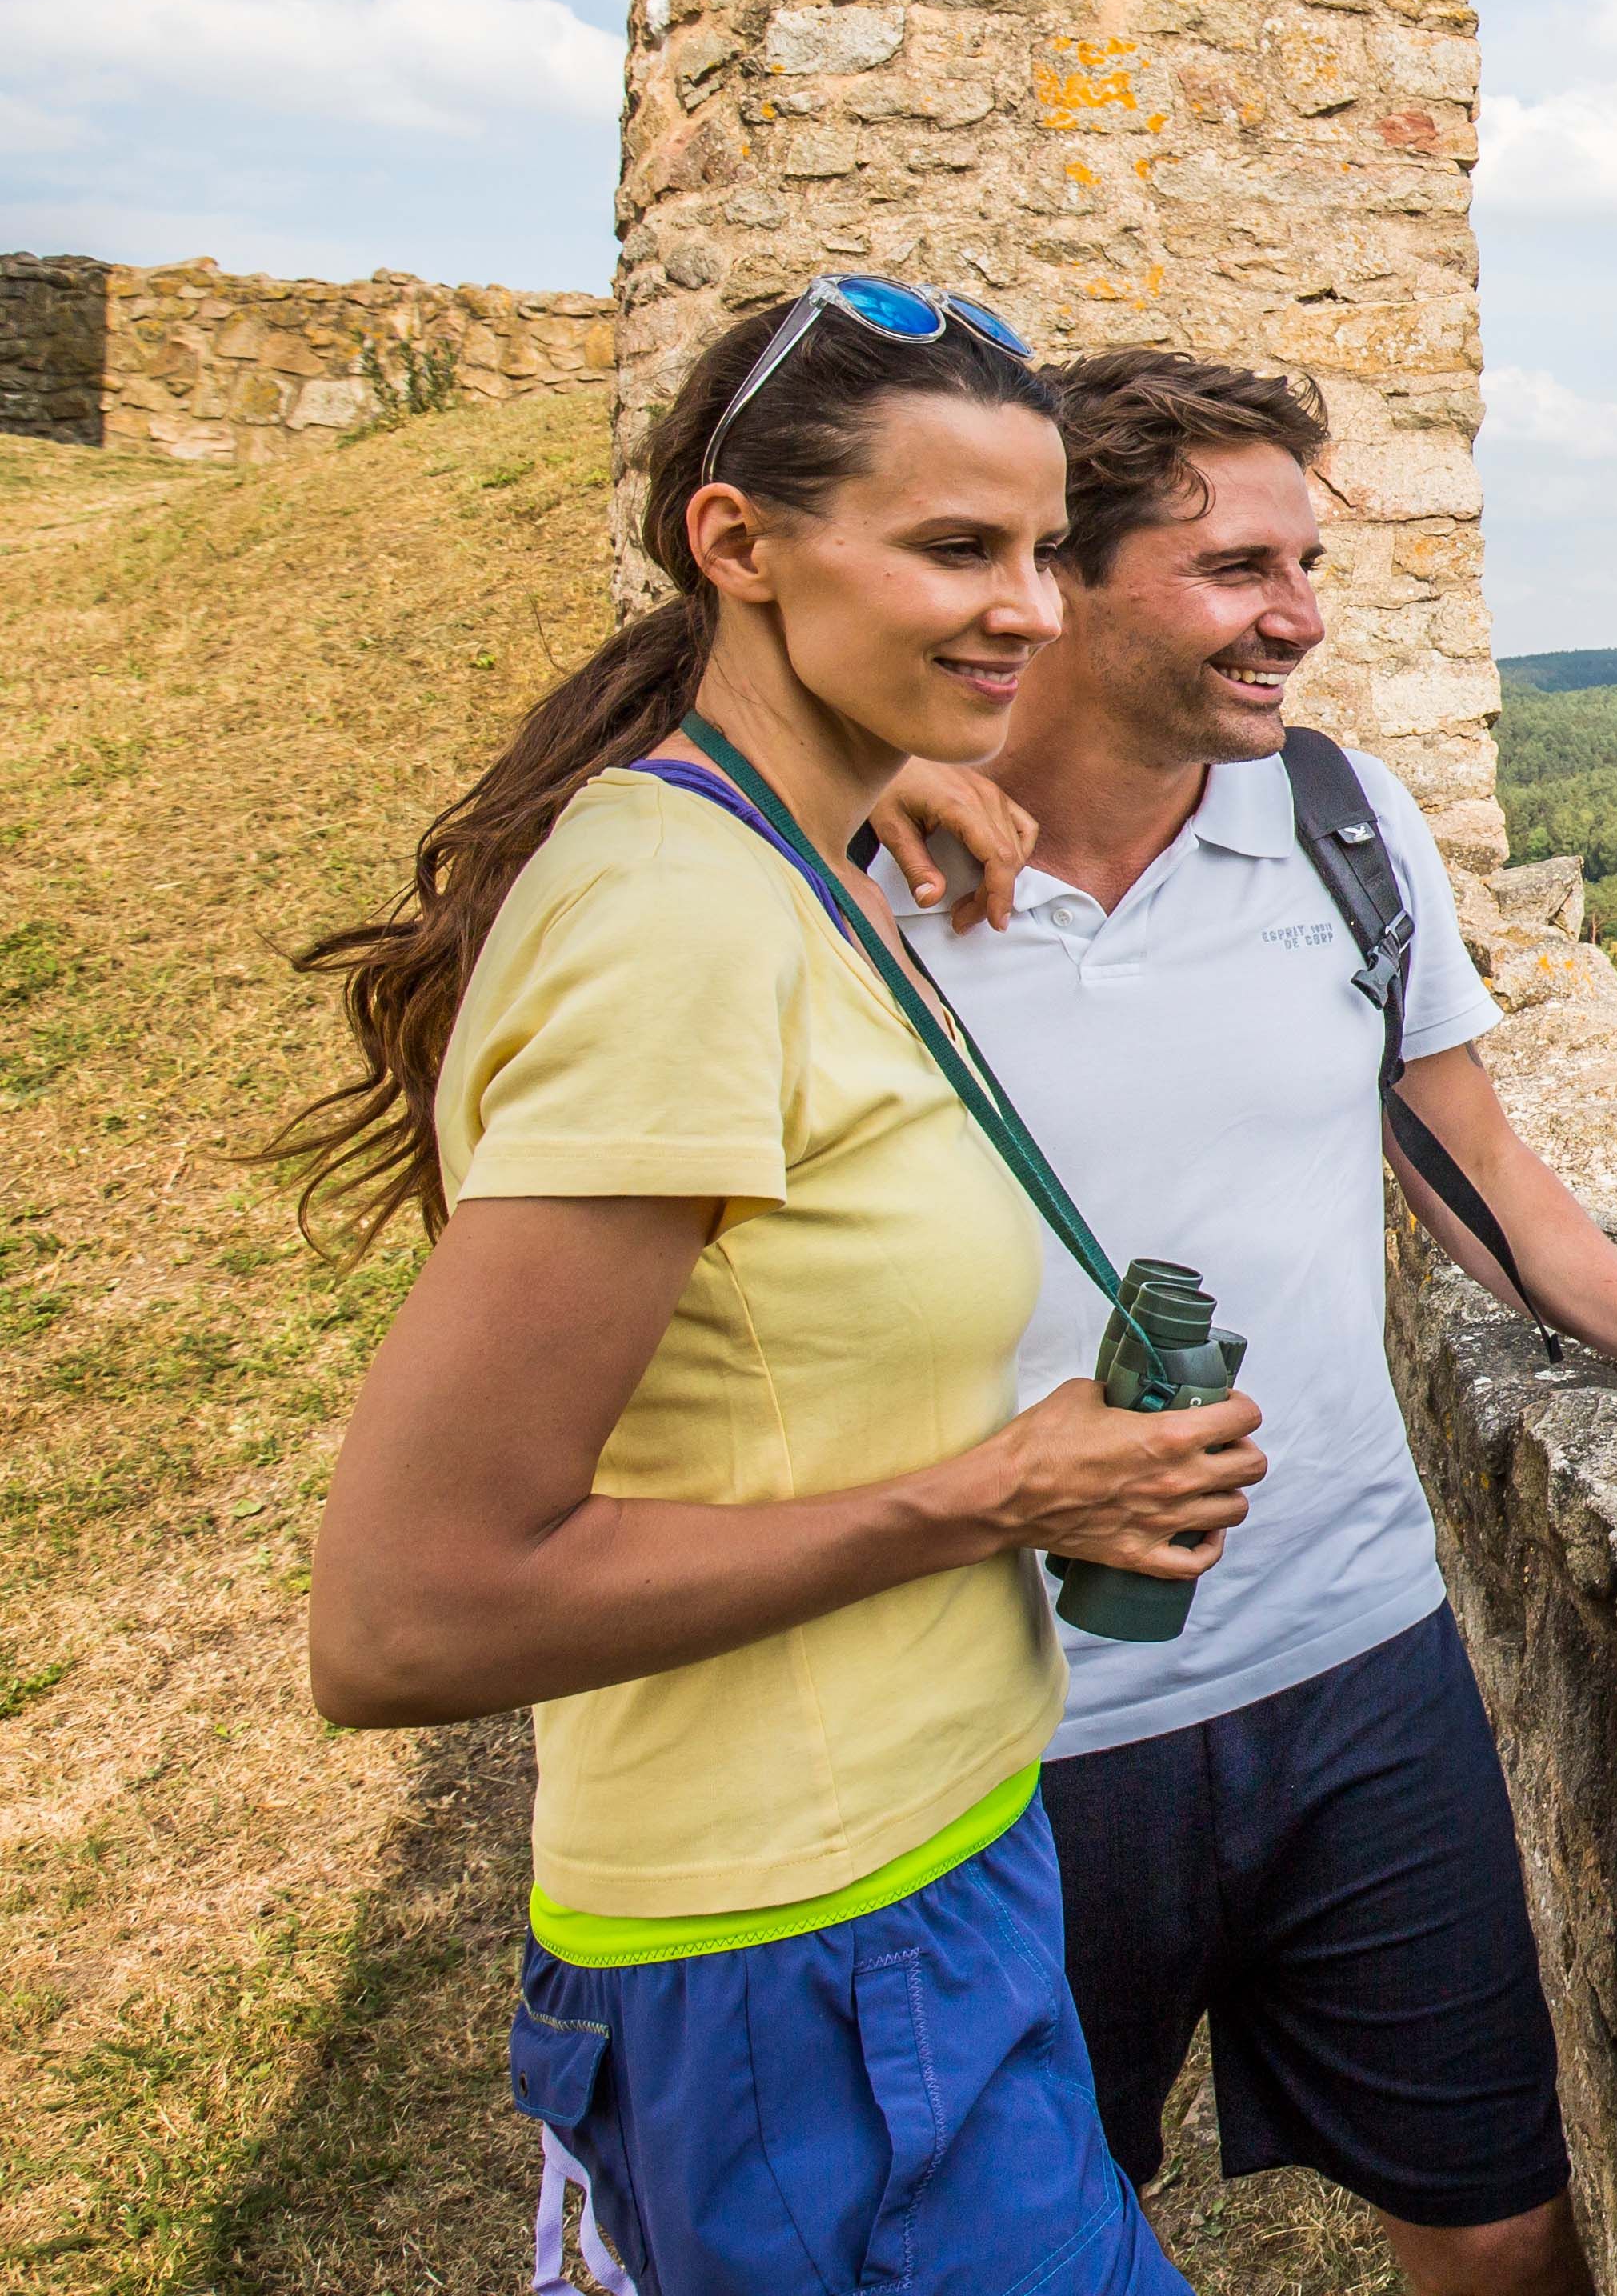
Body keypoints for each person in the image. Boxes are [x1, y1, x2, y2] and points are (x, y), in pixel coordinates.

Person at [863, 350, 1617, 2296]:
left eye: (1309, 565)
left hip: (1354, 1666)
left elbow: (1465, 1155)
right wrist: (844, 765)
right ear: (1054, 578)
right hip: (1001, 1727)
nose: (1303, 619)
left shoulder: (1337, 820)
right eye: (1238, 568)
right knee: (1010, 2253)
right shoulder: (850, 868)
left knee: (1501, 2230)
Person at [294, 279, 1264, 2294]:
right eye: (954, 548)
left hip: (920, 1880)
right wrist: (994, 1497)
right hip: (802, 1954)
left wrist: (865, 786)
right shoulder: (677, 927)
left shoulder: (769, 862)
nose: (1028, 610)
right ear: (737, 543)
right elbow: (405, 1616)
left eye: (1042, 551)